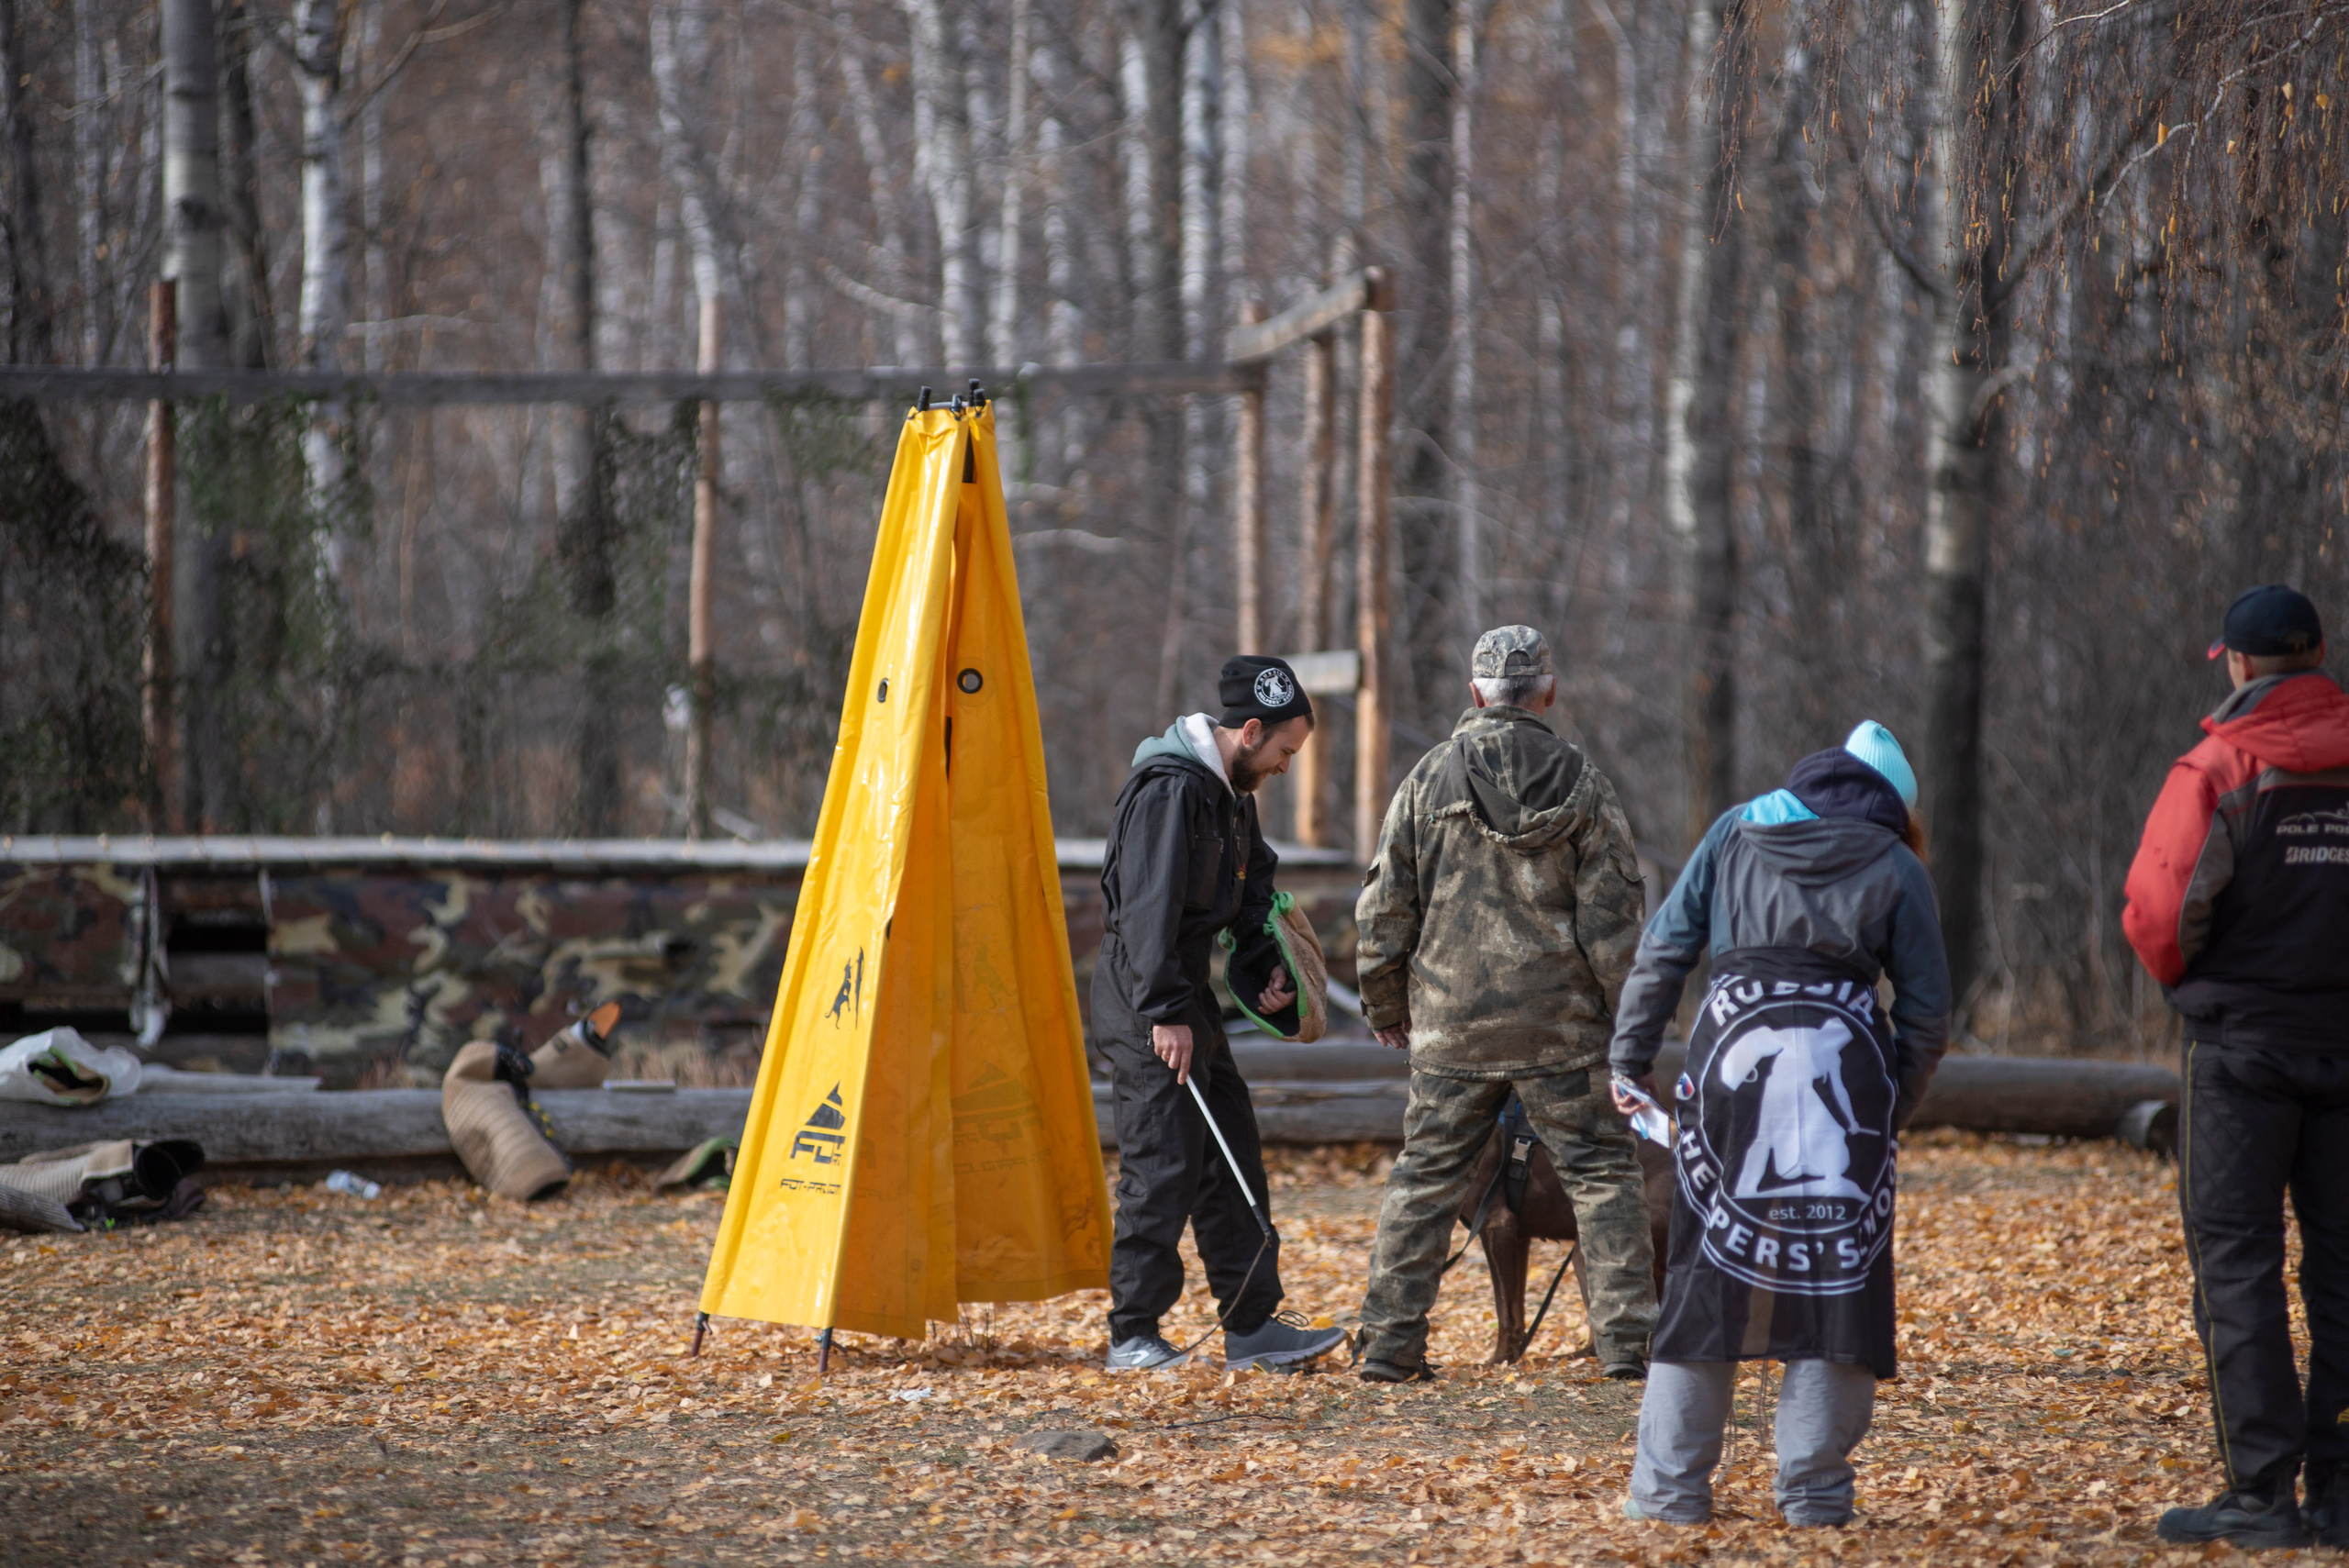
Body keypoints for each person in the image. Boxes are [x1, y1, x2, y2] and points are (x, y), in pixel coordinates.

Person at [1610, 721, 1949, 1529]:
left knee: (1703, 1277)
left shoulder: (1737, 831)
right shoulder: (1899, 864)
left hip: (1732, 1072)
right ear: (1896, 806)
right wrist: (1885, 1109)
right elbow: (1928, 1020)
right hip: (1846, 1082)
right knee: (1840, 1280)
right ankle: (1815, 1494)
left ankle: (1669, 1492)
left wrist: (1629, 1057)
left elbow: (1662, 951)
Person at [1352, 626, 1655, 1383]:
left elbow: (1384, 905)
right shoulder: (1584, 782)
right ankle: (1630, 1347)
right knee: (1602, 1174)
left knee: (1423, 1175)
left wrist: (1386, 1001)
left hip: (1452, 1026)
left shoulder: (1426, 780)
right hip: (1562, 1031)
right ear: (1547, 692)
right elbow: (1615, 919)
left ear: (1474, 691)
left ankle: (1389, 1345)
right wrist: (1630, 1022)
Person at [2121, 584, 2349, 1551]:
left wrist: (2202, 986)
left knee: (2239, 1267)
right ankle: (2341, 1493)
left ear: (2240, 662)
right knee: (2343, 1269)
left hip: (2242, 1051)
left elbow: (2157, 913)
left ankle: (2262, 1495)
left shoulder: (2220, 762)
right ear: (2317, 653)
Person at [1092, 654, 1353, 1373]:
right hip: (1145, 996)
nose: (1286, 767)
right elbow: (1146, 913)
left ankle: (1253, 1326)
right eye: (1284, 752)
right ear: (1248, 732)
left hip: (1183, 995)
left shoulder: (1230, 791)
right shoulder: (1169, 792)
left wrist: (1266, 966)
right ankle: (1132, 1332)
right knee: (1165, 1158)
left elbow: (1250, 889)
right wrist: (1167, 1012)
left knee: (1230, 1147)